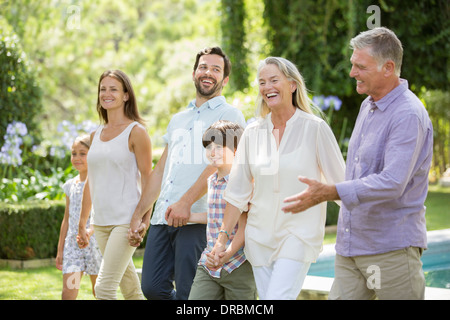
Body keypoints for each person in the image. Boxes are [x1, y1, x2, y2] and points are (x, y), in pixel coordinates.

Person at [282, 27, 434, 300]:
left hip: (391, 249)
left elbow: (392, 182)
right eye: (353, 64)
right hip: (351, 246)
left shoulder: (408, 115)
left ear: (388, 68)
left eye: (360, 66)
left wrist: (331, 191)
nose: (352, 72)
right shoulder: (368, 105)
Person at [210, 57, 345, 300]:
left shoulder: (315, 129)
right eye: (262, 82)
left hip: (298, 234)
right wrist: (222, 240)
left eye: (274, 80)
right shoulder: (252, 133)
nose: (267, 87)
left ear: (292, 85)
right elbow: (237, 192)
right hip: (258, 238)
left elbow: (342, 185)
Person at [128, 47, 246, 300]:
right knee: (151, 287)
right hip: (163, 217)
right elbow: (161, 170)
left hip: (196, 218)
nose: (208, 73)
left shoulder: (230, 114)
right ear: (194, 73)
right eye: (203, 67)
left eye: (216, 69)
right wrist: (140, 214)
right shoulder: (178, 119)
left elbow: (220, 164)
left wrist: (185, 203)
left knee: (189, 292)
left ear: (224, 80)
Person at [77, 69, 152, 300]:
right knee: (131, 290)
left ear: (126, 95)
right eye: (102, 89)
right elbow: (91, 179)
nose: (106, 94)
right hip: (100, 223)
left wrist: (144, 220)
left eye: (113, 89)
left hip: (126, 221)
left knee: (103, 289)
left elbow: (149, 178)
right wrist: (83, 221)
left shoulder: (136, 132)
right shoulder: (95, 134)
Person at [188, 120, 257, 300]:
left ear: (236, 149)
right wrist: (190, 216)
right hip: (209, 262)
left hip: (238, 265)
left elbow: (244, 227)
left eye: (219, 146)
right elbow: (215, 216)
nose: (212, 151)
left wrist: (226, 255)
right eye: (209, 146)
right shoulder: (212, 181)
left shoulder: (244, 182)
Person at [56, 134, 102, 300]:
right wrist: (61, 249)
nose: (76, 157)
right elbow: (66, 219)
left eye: (82, 153)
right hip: (73, 248)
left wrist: (89, 231)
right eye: (74, 153)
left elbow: (104, 214)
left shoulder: (99, 184)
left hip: (96, 245)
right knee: (68, 293)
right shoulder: (70, 186)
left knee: (100, 292)